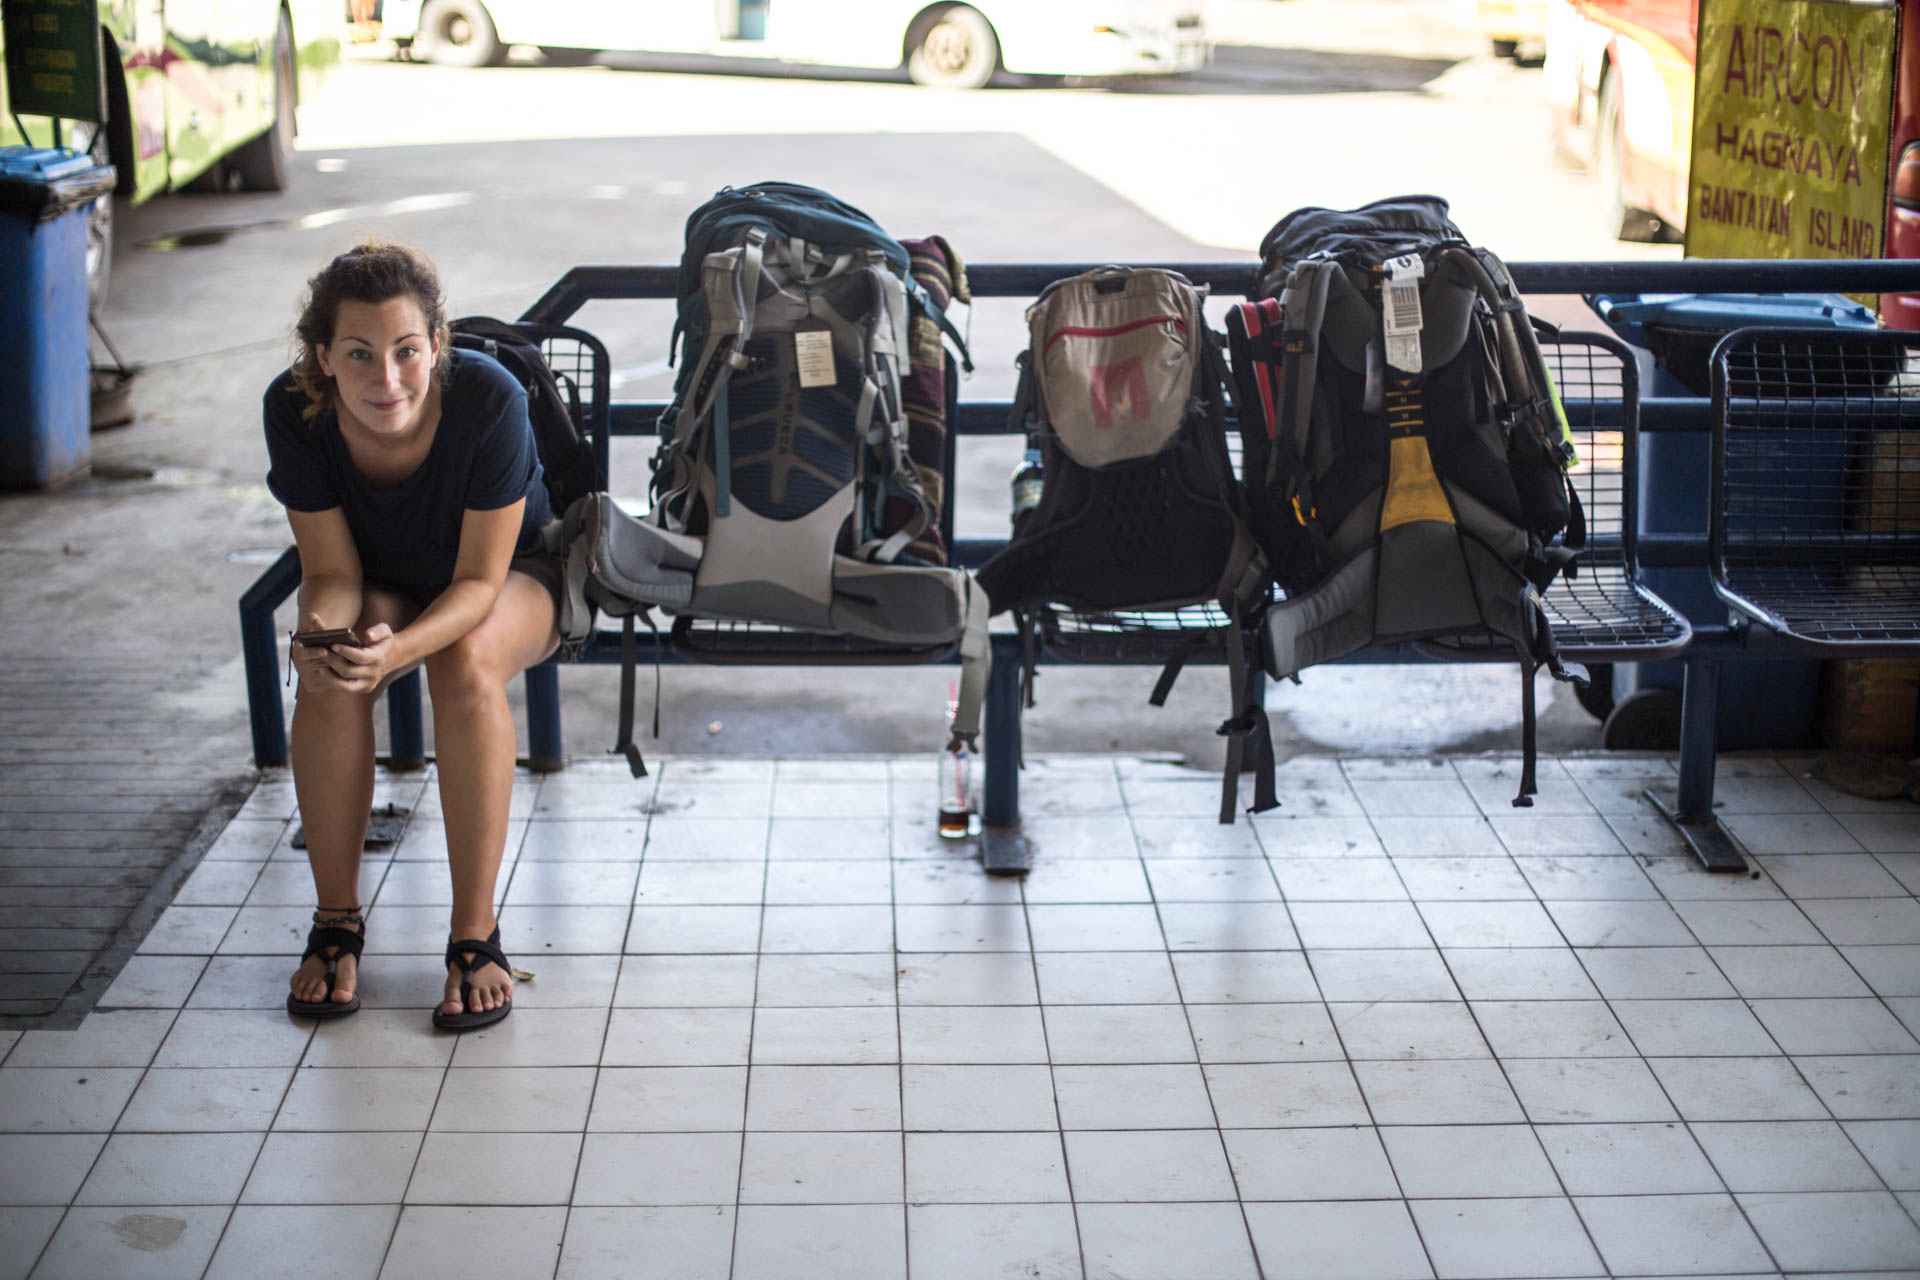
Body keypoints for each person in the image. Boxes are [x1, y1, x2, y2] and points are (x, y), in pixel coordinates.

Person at [265, 239, 560, 1031]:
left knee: (461, 661)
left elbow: (477, 583)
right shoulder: (293, 409)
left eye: (405, 351)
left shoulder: (488, 401)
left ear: (436, 343)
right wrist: (320, 634)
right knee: (329, 668)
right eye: (359, 354)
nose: (385, 379)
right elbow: (329, 571)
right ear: (323, 357)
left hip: (514, 575)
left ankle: (475, 933)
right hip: (381, 574)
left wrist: (397, 649)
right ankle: (336, 921)